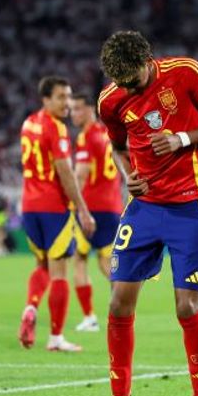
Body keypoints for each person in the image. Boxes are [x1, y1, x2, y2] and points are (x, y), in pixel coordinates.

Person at [97, 31, 198, 396]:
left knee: (187, 307)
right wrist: (128, 175)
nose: (127, 88)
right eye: (121, 83)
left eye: (134, 80)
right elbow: (119, 146)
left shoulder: (186, 72)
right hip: (144, 207)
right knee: (118, 303)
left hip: (189, 205)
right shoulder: (110, 101)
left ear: (148, 60)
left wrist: (181, 138)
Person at [18, 76, 96, 352]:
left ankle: (31, 307)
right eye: (61, 97)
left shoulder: (28, 123)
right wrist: (83, 211)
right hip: (54, 206)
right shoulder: (57, 129)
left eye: (69, 96)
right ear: (46, 99)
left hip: (29, 205)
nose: (67, 103)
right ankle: (55, 337)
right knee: (60, 270)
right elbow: (65, 172)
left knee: (41, 266)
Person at [69, 93, 124, 332]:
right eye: (72, 110)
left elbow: (80, 175)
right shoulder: (107, 134)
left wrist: (76, 206)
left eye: (79, 109)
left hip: (91, 206)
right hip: (112, 205)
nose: (74, 114)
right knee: (104, 259)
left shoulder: (87, 137)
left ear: (91, 110)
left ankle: (92, 316)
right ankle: (120, 305)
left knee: (82, 260)